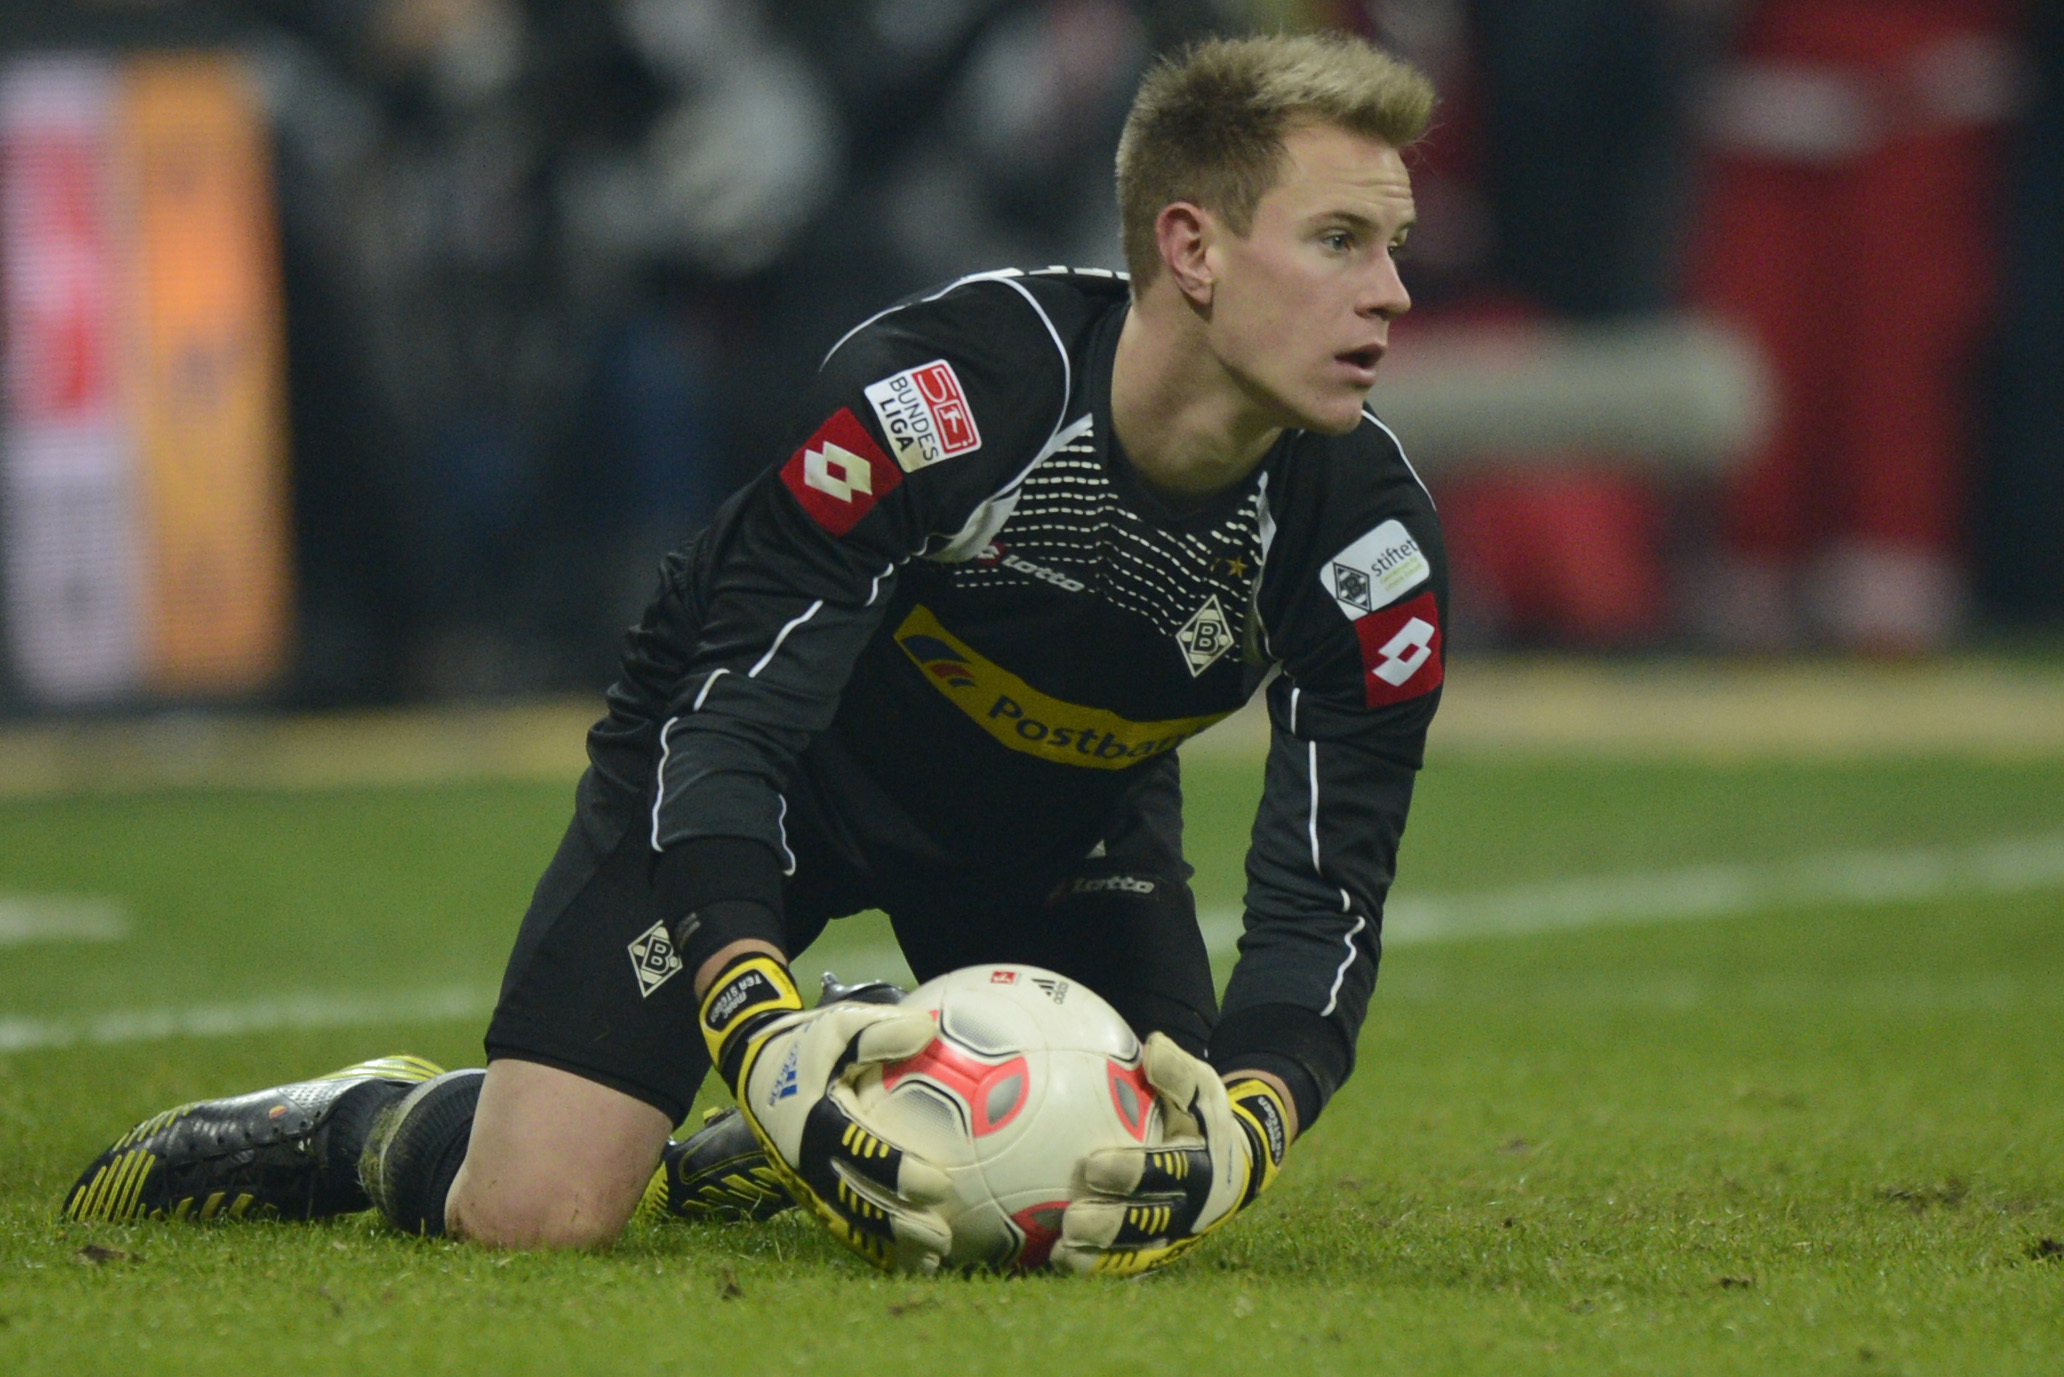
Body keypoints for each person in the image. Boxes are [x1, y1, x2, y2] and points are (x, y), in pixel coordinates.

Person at [63, 32, 1445, 1276]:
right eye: (1340, 240)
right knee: (536, 1210)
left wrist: (1253, 1123)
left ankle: (812, 1110)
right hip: (769, 783)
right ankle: (355, 1122)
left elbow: (1328, 901)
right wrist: (756, 1023)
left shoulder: (1369, 544)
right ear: (1192, 248)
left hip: (1058, 831)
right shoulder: (955, 400)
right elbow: (725, 725)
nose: (1390, 292)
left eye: (1394, 244)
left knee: (1113, 1194)